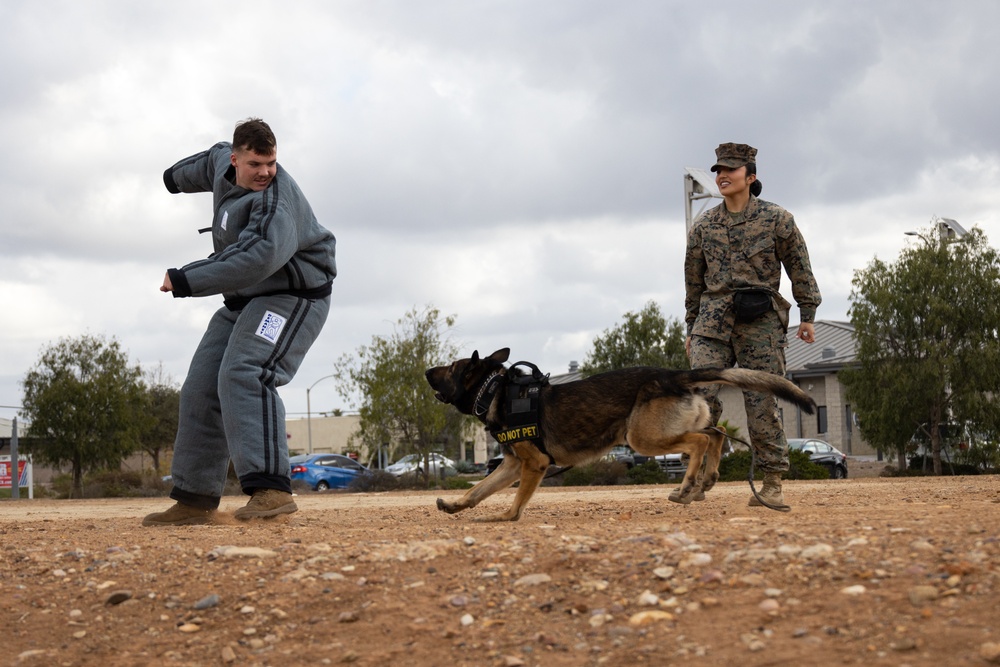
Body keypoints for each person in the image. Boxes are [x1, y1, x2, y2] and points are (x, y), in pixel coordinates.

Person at [143, 118, 337, 526]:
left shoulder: (275, 205)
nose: (265, 172)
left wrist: (185, 278)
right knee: (200, 385)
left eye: (271, 163)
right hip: (244, 299)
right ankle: (194, 498)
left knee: (245, 371)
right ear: (236, 160)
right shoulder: (222, 163)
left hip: (292, 296)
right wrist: (172, 180)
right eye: (255, 164)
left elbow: (255, 259)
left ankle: (271, 491)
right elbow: (205, 162)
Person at [682, 142, 820, 512]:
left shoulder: (777, 219)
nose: (721, 175)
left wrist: (807, 315)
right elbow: (693, 281)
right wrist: (691, 328)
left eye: (730, 169)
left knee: (761, 401)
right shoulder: (704, 225)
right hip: (711, 323)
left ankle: (772, 481)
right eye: (717, 170)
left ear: (751, 176)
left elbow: (799, 267)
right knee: (699, 400)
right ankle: (696, 476)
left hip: (759, 322)